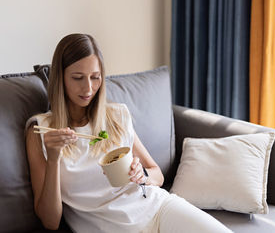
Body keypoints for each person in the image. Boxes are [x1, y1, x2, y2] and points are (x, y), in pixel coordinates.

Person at [25, 33, 232, 233]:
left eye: (95, 77)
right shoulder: (41, 131)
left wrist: (142, 175)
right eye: (78, 78)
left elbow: (156, 174)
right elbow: (50, 221)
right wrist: (53, 160)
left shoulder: (116, 116)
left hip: (157, 209)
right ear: (61, 79)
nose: (88, 88)